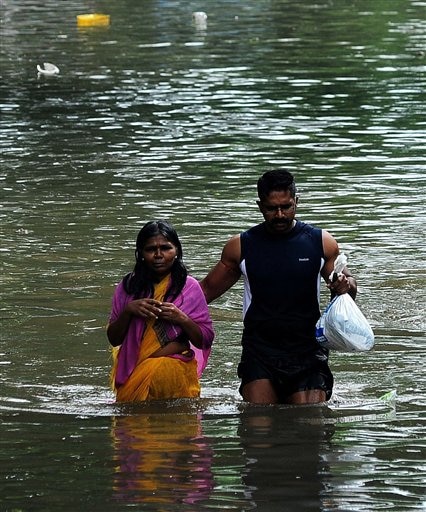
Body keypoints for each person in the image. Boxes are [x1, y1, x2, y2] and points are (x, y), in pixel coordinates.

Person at [200, 170, 357, 405]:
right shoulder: (241, 247)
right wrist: (161, 311)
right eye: (272, 208)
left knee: (309, 425)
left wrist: (346, 285)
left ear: (297, 201)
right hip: (260, 350)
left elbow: (348, 285)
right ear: (259, 205)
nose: (280, 214)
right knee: (259, 428)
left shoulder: (320, 242)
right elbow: (204, 292)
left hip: (307, 350)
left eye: (287, 206)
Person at [107, 220, 214, 402]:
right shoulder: (128, 287)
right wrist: (129, 311)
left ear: (177, 251)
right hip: (135, 371)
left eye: (165, 248)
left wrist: (181, 318)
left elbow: (204, 338)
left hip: (175, 372)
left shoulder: (189, 287)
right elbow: (114, 338)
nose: (158, 255)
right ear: (140, 253)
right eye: (150, 249)